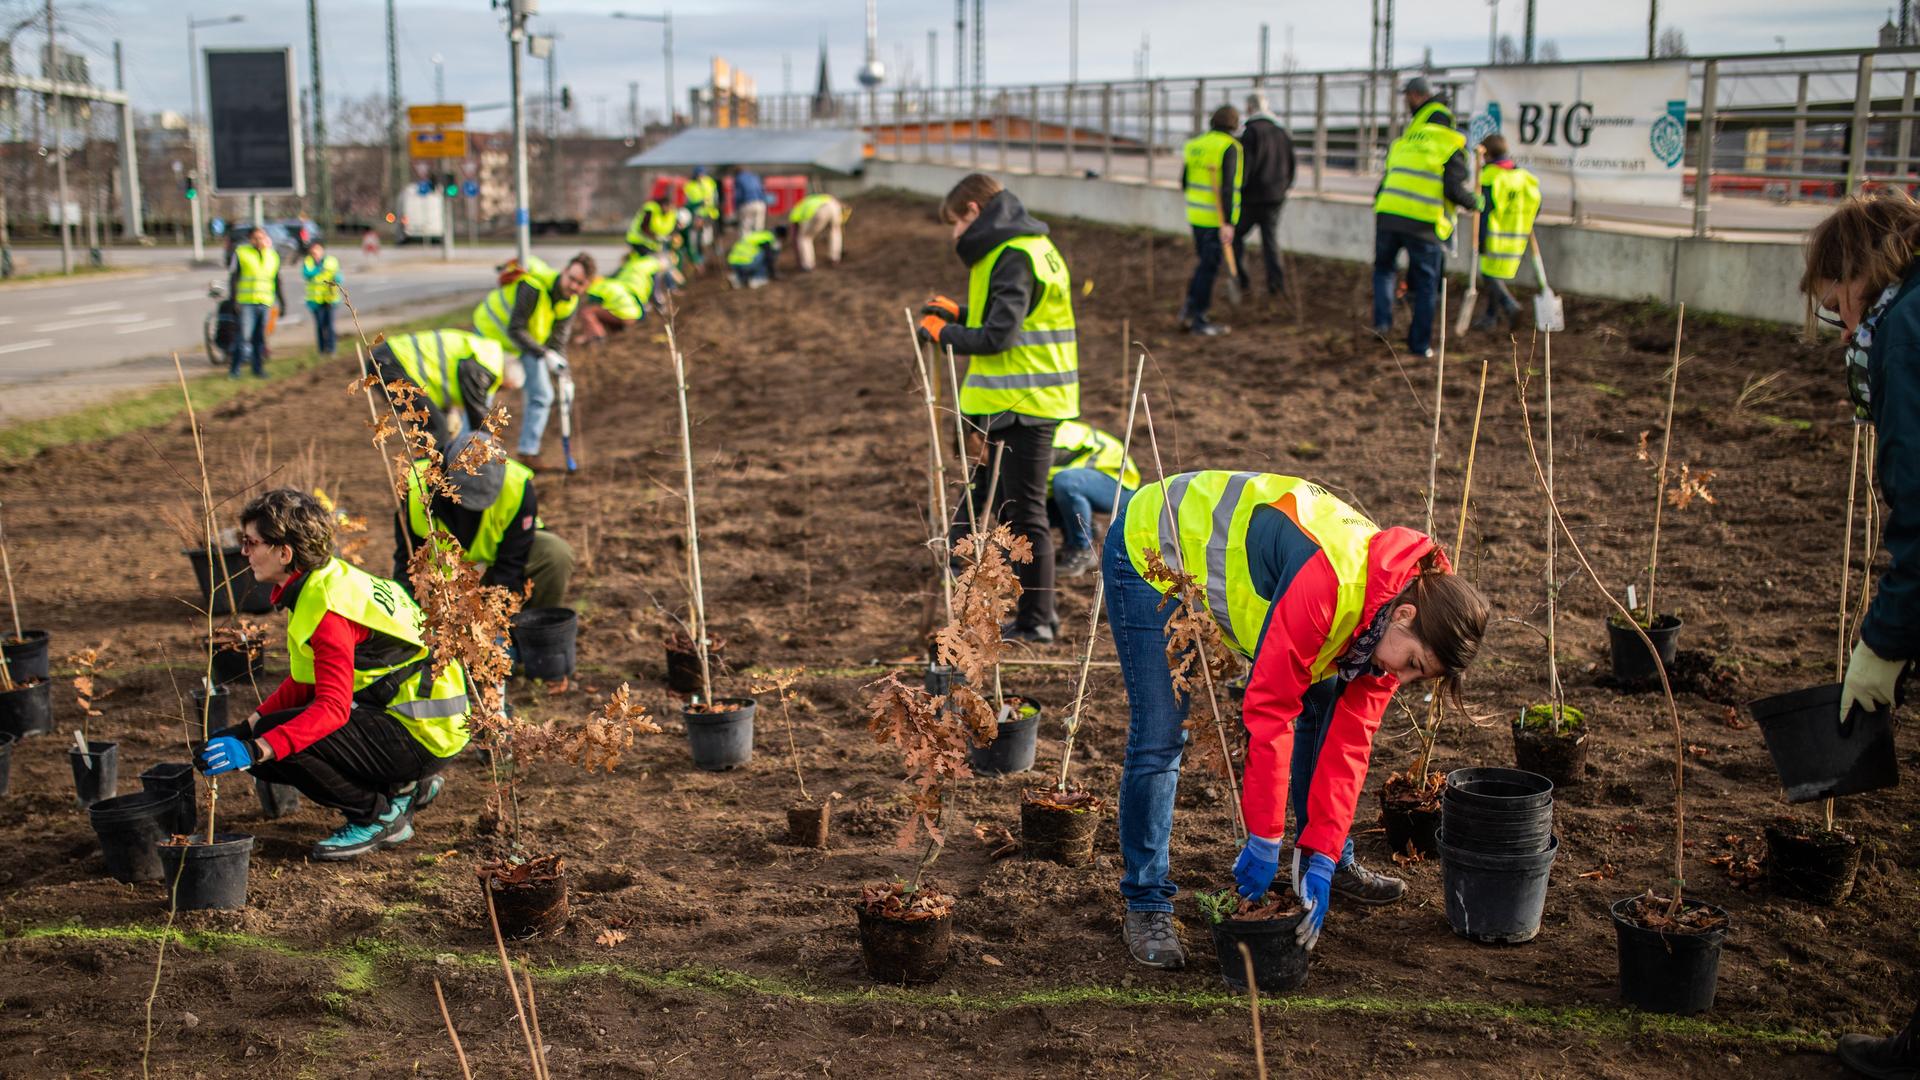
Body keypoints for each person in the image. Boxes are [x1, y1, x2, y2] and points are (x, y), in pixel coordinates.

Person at [1107, 472, 1488, 969]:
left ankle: (1319, 862)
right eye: (1413, 664)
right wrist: (1264, 837)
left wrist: (1324, 853)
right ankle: (1146, 901)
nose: (1404, 678)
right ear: (1404, 615)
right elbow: (1269, 709)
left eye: (1420, 675)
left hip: (1248, 575)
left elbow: (1351, 743)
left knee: (1324, 709)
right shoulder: (1334, 585)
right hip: (1154, 545)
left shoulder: (1391, 616)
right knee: (1161, 734)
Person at [194, 489, 470, 861]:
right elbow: (306, 681)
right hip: (428, 724)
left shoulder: (328, 613)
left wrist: (254, 748)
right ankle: (405, 786)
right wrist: (246, 726)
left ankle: (378, 815)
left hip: (421, 734)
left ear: (284, 553)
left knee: (279, 749)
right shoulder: (326, 580)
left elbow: (331, 709)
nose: (243, 552)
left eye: (251, 542)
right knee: (273, 733)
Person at [1806, 191, 1920, 1080]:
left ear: (1861, 275)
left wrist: (1885, 639)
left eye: (1835, 301)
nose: (1841, 327)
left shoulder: (1907, 329)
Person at [918, 173, 1078, 643]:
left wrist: (942, 334)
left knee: (1026, 515)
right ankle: (1024, 612)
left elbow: (999, 337)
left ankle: (1038, 622)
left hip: (1025, 403)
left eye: (954, 222)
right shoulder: (1026, 248)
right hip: (1018, 401)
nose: (954, 235)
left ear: (972, 211)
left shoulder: (1012, 255)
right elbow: (1009, 317)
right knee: (1004, 505)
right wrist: (960, 313)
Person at [396, 431, 574, 611]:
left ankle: (533, 627)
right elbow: (407, 563)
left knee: (555, 553)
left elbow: (512, 564)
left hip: (496, 568)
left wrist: (499, 620)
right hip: (444, 585)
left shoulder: (517, 484)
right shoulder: (414, 488)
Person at [1373, 76, 1481, 359]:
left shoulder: (1404, 142)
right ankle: (1419, 345)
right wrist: (1474, 202)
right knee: (1426, 287)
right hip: (1423, 224)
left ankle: (1382, 325)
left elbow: (1386, 182)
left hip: (1387, 215)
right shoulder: (1451, 143)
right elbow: (1454, 189)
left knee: (1384, 270)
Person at [472, 253, 594, 468]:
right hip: (492, 335)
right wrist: (545, 354)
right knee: (483, 394)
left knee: (543, 394)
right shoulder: (533, 287)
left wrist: (565, 375)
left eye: (580, 284)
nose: (573, 286)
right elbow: (515, 328)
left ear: (585, 287)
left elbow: (558, 343)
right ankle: (469, 451)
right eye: (571, 278)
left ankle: (529, 452)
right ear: (564, 272)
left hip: (524, 343)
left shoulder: (569, 304)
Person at [369, 328, 520, 452]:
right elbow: (477, 414)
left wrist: (449, 412)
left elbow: (446, 377)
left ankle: (438, 478)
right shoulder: (486, 368)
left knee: (440, 428)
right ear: (507, 379)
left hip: (392, 359)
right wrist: (489, 448)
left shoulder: (487, 353)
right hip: (390, 364)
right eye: (502, 388)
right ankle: (427, 484)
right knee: (435, 431)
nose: (498, 391)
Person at [1179, 105, 1243, 336]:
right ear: (1234, 125)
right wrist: (1228, 223)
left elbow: (1184, 181)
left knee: (1203, 265)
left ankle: (1189, 309)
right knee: (1208, 268)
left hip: (1196, 216)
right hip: (1215, 220)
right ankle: (1199, 318)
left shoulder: (1195, 145)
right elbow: (1227, 188)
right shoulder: (1229, 147)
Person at [1048, 419, 1139, 578]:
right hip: (1089, 481)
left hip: (1118, 484)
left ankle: (1082, 549)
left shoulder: (1048, 445)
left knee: (1066, 483)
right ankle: (1082, 530)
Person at [1471, 134, 1541, 332]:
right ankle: (1491, 316)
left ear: (1488, 154)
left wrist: (1480, 238)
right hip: (1517, 235)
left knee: (1489, 274)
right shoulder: (1525, 177)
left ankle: (1510, 305)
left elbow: (1484, 211)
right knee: (1495, 274)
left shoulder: (1491, 177)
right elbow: (1537, 204)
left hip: (1495, 234)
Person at [1233, 94, 1297, 300]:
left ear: (1250, 108)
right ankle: (1276, 286)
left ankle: (1242, 281)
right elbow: (1292, 165)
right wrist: (1283, 188)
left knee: (1235, 236)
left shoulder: (1250, 133)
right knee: (1270, 241)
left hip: (1253, 198)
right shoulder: (1281, 132)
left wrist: (1239, 190)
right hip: (1275, 197)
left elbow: (1245, 168)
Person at [228, 225, 284, 379]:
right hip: (247, 302)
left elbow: (277, 280)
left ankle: (257, 368)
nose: (259, 240)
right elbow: (233, 278)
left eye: (262, 237)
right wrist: (233, 300)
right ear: (250, 239)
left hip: (264, 301)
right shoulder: (241, 253)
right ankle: (235, 370)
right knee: (243, 337)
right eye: (256, 237)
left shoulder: (272, 256)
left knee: (260, 338)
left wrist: (282, 301)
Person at [301, 240, 343, 358]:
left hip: (330, 298)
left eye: (317, 249)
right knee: (320, 326)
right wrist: (319, 269)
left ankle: (332, 349)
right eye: (313, 249)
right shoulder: (308, 262)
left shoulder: (331, 261)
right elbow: (306, 274)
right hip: (315, 300)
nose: (315, 252)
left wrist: (337, 278)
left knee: (330, 325)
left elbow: (338, 276)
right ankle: (322, 350)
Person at [790, 191, 844, 271]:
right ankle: (835, 257)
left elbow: (795, 234)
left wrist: (798, 256)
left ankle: (808, 264)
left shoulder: (795, 211)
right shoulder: (812, 200)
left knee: (804, 238)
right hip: (834, 205)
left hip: (820, 210)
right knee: (835, 231)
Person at [580, 275, 644, 339]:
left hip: (623, 317)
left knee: (587, 312)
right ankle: (615, 329)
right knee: (606, 308)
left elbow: (594, 305)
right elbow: (635, 297)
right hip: (636, 316)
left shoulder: (595, 288)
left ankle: (598, 336)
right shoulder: (613, 282)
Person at [684, 167, 721, 267]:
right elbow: (688, 201)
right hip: (698, 214)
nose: (701, 177)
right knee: (699, 238)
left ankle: (715, 254)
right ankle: (701, 258)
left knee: (713, 235)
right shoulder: (690, 186)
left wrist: (714, 206)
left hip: (710, 213)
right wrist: (699, 204)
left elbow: (715, 197)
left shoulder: (710, 182)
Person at [625, 194, 679, 259]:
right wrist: (656, 237)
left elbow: (673, 227)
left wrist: (670, 236)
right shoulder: (651, 210)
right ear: (663, 205)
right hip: (638, 240)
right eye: (668, 207)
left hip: (652, 244)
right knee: (647, 260)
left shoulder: (670, 214)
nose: (669, 210)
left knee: (649, 260)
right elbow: (644, 227)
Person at [732, 165, 769, 233]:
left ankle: (747, 243)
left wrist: (736, 208)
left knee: (746, 229)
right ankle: (758, 242)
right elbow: (762, 190)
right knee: (759, 228)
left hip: (747, 203)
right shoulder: (754, 176)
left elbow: (738, 195)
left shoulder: (739, 178)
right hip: (760, 204)